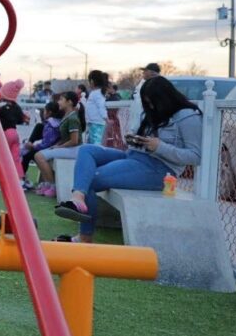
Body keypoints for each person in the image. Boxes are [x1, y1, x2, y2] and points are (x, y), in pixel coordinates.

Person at [54, 76, 201, 243]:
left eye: (152, 102)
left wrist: (160, 146)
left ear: (165, 98)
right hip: (134, 156)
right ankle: (78, 197)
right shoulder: (154, 112)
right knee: (87, 150)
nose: (150, 106)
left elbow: (195, 156)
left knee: (91, 179)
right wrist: (134, 140)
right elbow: (145, 142)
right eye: (147, 103)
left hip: (159, 170)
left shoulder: (188, 116)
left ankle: (84, 236)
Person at [33, 91, 84, 198]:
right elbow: (64, 138)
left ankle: (53, 186)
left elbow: (74, 141)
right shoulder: (67, 115)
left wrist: (59, 147)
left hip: (75, 150)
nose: (59, 102)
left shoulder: (73, 118)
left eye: (61, 99)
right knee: (39, 155)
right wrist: (56, 145)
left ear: (69, 102)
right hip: (69, 148)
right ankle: (48, 184)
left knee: (39, 156)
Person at [20, 101, 61, 189]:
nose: (43, 113)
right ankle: (22, 178)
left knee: (27, 155)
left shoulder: (51, 125)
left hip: (50, 148)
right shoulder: (52, 123)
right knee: (39, 126)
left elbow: (47, 143)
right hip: (50, 147)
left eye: (44, 111)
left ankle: (21, 179)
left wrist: (34, 147)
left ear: (49, 112)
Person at [0, 79, 26, 177]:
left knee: (4, 158)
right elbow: (21, 120)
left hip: (4, 133)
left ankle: (7, 179)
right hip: (14, 133)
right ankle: (20, 179)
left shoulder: (0, 107)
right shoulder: (16, 107)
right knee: (15, 158)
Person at [128, 62, 160, 134]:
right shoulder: (143, 83)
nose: (143, 72)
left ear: (152, 73)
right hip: (140, 118)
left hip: (149, 118)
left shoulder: (157, 84)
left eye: (146, 71)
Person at [84, 69, 109, 144]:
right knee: (91, 144)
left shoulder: (97, 93)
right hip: (93, 123)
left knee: (96, 145)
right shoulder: (96, 93)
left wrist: (106, 118)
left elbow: (101, 106)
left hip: (97, 124)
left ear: (92, 81)